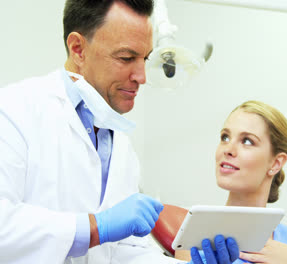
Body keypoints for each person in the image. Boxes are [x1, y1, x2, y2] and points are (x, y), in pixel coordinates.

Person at [0, 1, 186, 263]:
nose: (142, 76)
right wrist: (95, 227)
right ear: (78, 49)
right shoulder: (13, 111)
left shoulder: (119, 141)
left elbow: (125, 251)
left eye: (145, 58)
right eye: (126, 58)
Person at [175, 100, 287, 264]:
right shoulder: (194, 239)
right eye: (225, 137)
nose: (228, 150)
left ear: (276, 163)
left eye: (247, 141)